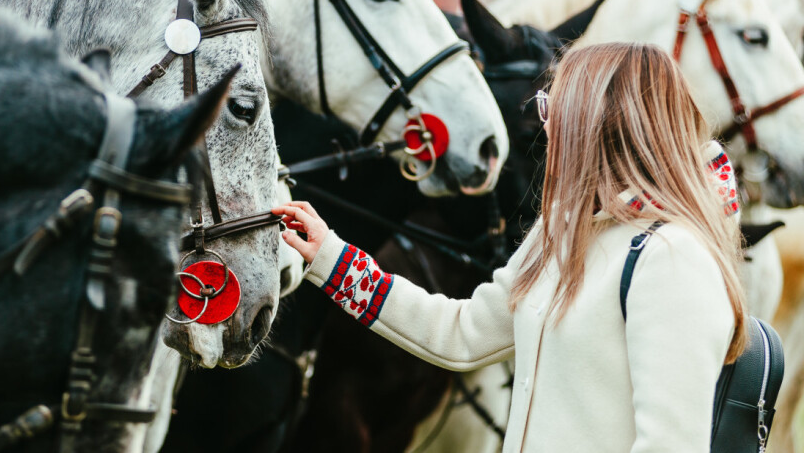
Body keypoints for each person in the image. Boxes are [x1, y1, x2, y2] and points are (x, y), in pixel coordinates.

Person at [273, 42, 746, 452]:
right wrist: (333, 260)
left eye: (553, 107)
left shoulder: (673, 259)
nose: (546, 125)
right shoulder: (562, 234)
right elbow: (461, 334)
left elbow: (671, 446)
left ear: (597, 124)